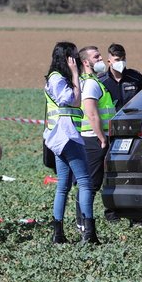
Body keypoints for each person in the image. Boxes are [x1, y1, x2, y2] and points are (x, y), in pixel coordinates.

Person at [43, 41, 99, 245]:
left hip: (59, 138)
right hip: (68, 137)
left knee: (63, 187)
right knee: (85, 183)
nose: (75, 59)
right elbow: (73, 100)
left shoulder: (55, 78)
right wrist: (75, 74)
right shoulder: (58, 79)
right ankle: (89, 233)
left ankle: (58, 234)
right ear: (66, 58)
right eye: (73, 56)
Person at [72, 45, 115, 234]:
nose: (100, 60)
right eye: (96, 57)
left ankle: (82, 220)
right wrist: (102, 138)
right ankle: (83, 221)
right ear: (85, 62)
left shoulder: (88, 81)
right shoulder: (90, 83)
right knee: (90, 183)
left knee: (88, 182)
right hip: (94, 139)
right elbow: (91, 113)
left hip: (90, 138)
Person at [100, 43, 142, 111]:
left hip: (133, 119)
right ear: (109, 62)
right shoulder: (101, 81)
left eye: (123, 59)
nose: (121, 62)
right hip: (111, 120)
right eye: (117, 60)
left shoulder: (136, 78)